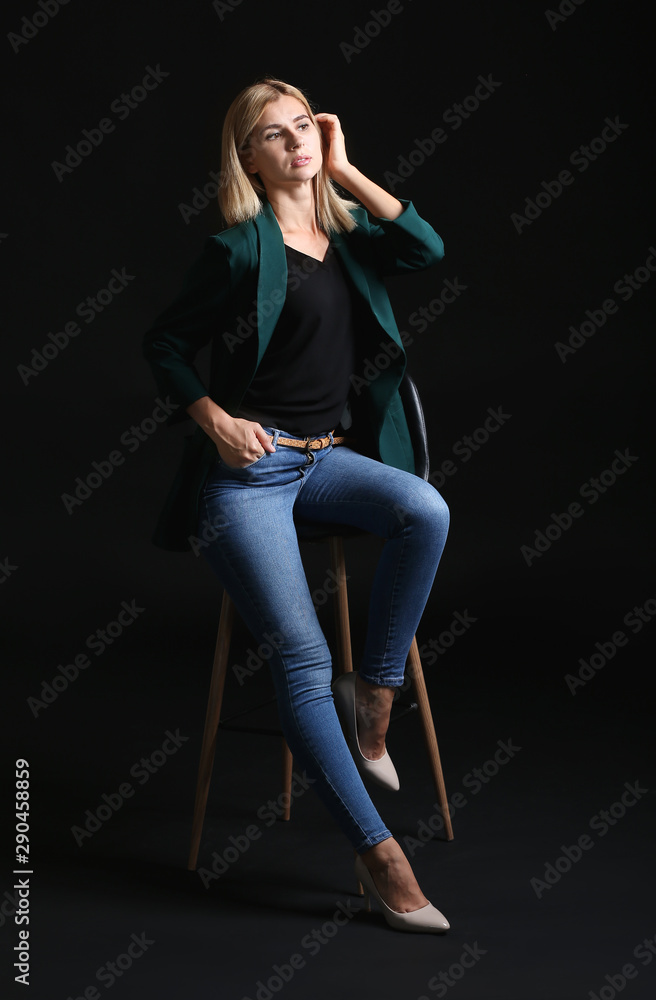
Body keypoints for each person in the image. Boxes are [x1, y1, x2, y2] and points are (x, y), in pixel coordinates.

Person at [143, 78, 451, 933]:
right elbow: (163, 343)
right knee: (303, 661)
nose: (298, 145)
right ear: (248, 157)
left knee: (426, 512)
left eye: (306, 128)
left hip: (327, 461)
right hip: (248, 476)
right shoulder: (237, 251)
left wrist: (348, 171)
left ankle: (376, 698)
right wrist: (211, 419)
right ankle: (379, 852)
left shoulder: (347, 238)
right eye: (275, 136)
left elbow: (424, 246)